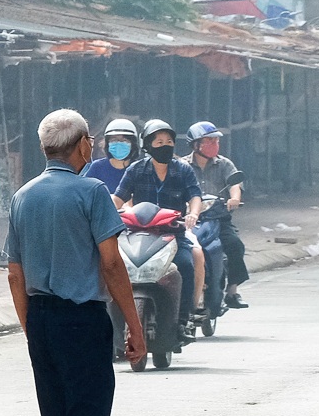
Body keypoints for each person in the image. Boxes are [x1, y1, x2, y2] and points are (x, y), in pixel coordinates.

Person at [0, 109, 148, 416]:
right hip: (82, 322)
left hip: (40, 320)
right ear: (83, 144)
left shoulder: (23, 197)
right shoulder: (93, 191)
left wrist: (31, 331)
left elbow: (15, 273)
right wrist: (136, 327)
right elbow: (112, 264)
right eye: (92, 141)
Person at [114, 117, 207, 322]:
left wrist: (193, 213)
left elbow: (194, 196)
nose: (165, 146)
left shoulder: (183, 170)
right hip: (138, 235)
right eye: (159, 142)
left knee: (185, 265)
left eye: (169, 142)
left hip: (173, 234)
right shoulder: (136, 169)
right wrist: (105, 214)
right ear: (147, 146)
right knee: (114, 267)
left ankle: (184, 317)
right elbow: (118, 198)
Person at [187, 120, 247, 310]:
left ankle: (232, 290)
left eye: (216, 141)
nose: (214, 145)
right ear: (195, 145)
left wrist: (234, 199)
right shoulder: (182, 166)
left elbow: (235, 184)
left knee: (235, 246)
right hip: (191, 221)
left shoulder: (224, 164)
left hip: (219, 219)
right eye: (208, 141)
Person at [82, 118, 138, 190]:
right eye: (114, 140)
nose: (119, 144)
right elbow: (85, 192)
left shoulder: (139, 169)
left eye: (124, 140)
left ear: (133, 144)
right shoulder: (97, 167)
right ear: (107, 143)